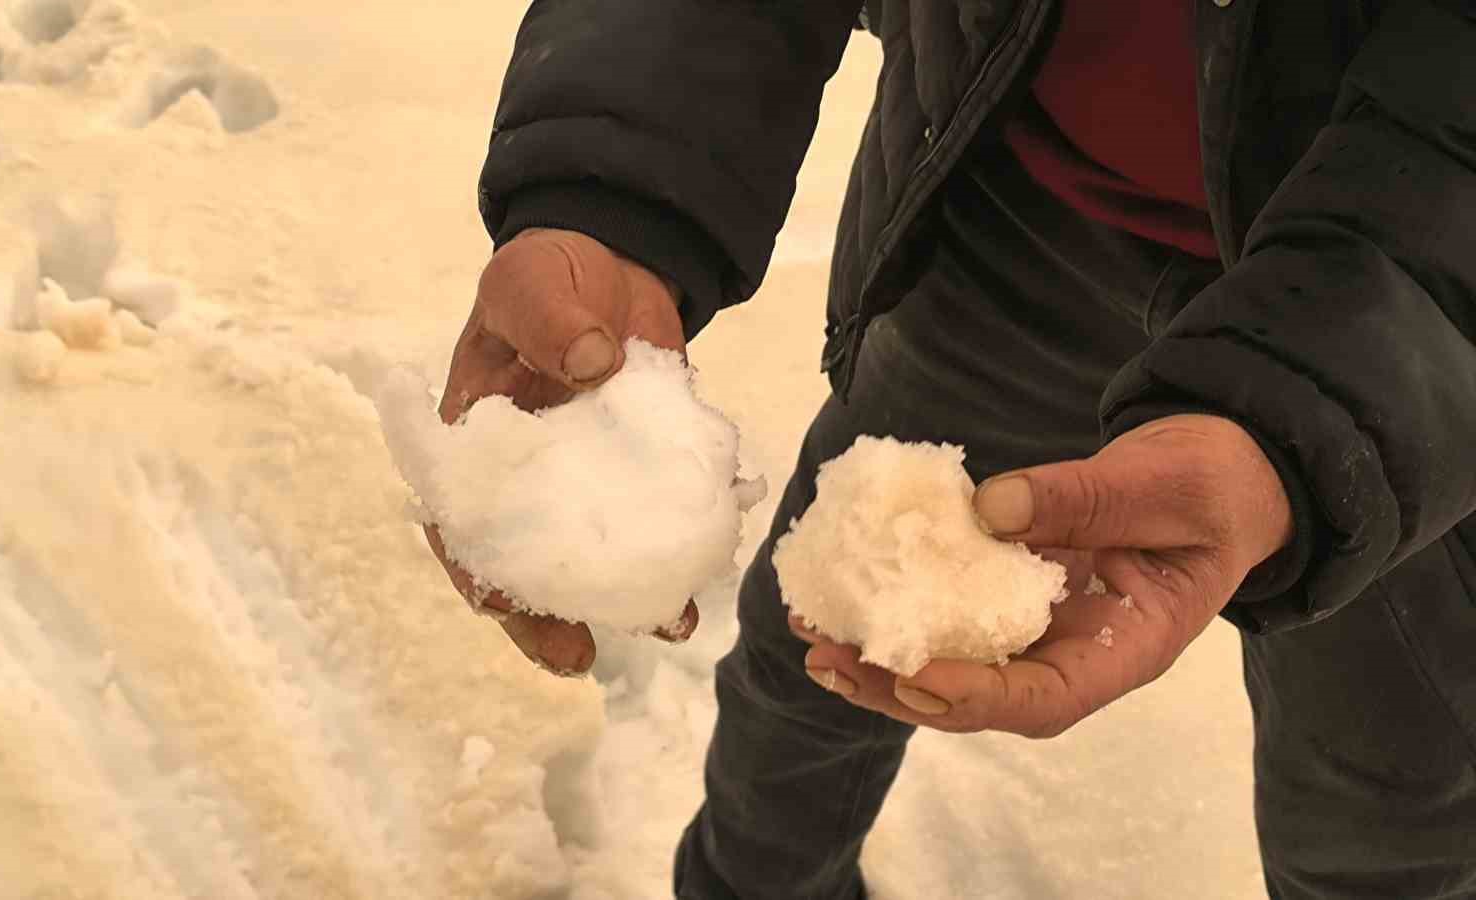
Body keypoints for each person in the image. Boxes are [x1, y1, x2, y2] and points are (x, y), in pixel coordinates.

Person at [429, 1, 1476, 897]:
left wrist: (1331, 412)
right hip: (1008, 224)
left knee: (1385, 802)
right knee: (818, 655)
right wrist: (613, 189)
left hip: (1400, 330)